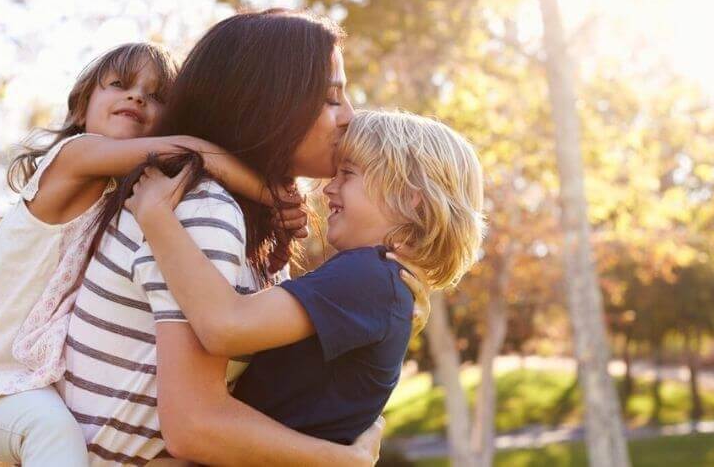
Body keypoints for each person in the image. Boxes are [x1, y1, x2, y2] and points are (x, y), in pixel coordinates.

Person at [0, 42, 296, 466]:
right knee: (52, 433)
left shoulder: (125, 198)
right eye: (120, 85)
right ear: (79, 110)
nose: (137, 97)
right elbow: (189, 151)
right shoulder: (70, 158)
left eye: (156, 95)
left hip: (39, 382)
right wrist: (274, 198)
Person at [62, 10, 392, 465]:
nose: (349, 116)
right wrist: (344, 461)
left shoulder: (235, 214)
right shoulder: (203, 208)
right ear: (270, 102)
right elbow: (195, 428)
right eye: (331, 97)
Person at [126, 109, 486, 444]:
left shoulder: (369, 275)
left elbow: (225, 326)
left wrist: (156, 216)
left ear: (411, 200)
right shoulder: (384, 284)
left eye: (348, 174)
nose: (328, 188)